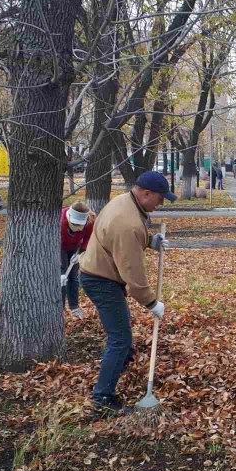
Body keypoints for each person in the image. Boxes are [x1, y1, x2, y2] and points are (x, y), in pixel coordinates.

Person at [79, 171, 176, 414]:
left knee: (122, 335)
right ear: (146, 194)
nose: (161, 203)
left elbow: (122, 242)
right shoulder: (128, 222)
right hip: (101, 280)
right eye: (160, 198)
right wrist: (152, 302)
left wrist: (149, 240)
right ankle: (103, 399)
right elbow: (134, 276)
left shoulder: (125, 203)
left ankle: (120, 364)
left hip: (99, 273)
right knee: (120, 338)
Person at [60, 202, 95, 319]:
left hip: (76, 248)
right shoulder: (60, 219)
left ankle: (74, 306)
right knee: (63, 277)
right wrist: (60, 265)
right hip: (61, 248)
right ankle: (59, 307)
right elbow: (56, 243)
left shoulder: (90, 220)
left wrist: (81, 252)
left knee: (73, 277)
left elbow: (88, 237)